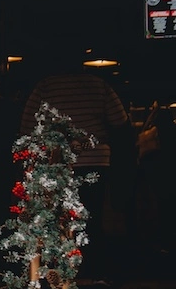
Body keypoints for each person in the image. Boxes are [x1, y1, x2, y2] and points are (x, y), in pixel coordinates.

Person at [20, 52, 130, 276]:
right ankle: (95, 270)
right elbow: (121, 124)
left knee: (60, 220)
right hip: (95, 159)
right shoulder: (98, 85)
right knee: (92, 216)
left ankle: (67, 273)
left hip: (57, 162)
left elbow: (27, 127)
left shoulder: (45, 87)